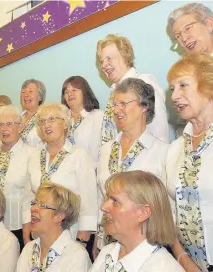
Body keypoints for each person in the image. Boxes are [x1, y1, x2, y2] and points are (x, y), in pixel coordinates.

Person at [95, 78, 169, 253]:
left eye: (123, 103)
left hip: (147, 246)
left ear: (144, 106)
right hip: (108, 244)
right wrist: (97, 241)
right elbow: (101, 196)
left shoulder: (163, 152)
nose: (116, 109)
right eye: (114, 104)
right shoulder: (106, 149)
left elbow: (168, 208)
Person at [22, 103, 98, 252]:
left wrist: (81, 242)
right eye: (42, 121)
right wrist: (26, 234)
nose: (46, 125)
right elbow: (27, 199)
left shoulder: (80, 155)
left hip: (70, 236)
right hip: (38, 236)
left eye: (52, 119)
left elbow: (89, 202)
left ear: (65, 123)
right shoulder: (34, 157)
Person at [166, 53, 213, 271]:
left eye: (183, 85)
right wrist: (183, 259)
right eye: (172, 88)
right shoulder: (174, 150)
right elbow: (171, 212)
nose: (175, 96)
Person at [90, 171, 184, 272]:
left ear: (143, 213)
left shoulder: (163, 268)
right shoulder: (107, 253)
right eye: (107, 198)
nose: (103, 207)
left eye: (115, 201)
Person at [96, 34, 169, 154]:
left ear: (125, 57)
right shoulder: (113, 92)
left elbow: (159, 131)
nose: (104, 65)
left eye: (109, 58)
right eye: (101, 61)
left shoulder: (144, 82)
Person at [0, 105, 36, 249]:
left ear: (20, 126)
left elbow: (33, 195)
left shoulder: (32, 154)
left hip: (20, 227)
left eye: (9, 124)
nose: (4, 129)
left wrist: (28, 228)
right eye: (0, 125)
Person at [16, 182, 91, 272]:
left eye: (42, 205)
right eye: (34, 203)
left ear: (59, 216)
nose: (33, 209)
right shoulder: (29, 249)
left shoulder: (77, 256)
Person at [61, 75, 104, 168]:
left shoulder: (98, 116)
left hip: (92, 173)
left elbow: (106, 150)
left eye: (74, 90)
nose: (70, 94)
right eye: (66, 92)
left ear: (84, 92)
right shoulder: (60, 119)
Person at [20, 79, 46, 148]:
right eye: (23, 92)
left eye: (30, 91)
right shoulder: (17, 118)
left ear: (40, 97)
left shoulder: (44, 117)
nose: (26, 95)